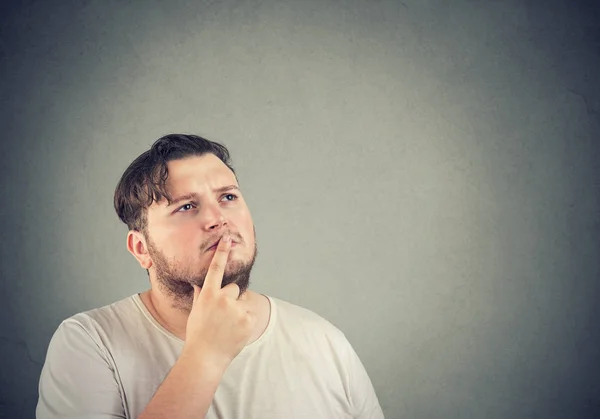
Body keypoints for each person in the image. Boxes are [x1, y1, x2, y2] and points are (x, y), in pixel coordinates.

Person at [36, 133, 384, 419]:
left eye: (228, 197)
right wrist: (206, 355)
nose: (219, 218)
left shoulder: (325, 342)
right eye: (187, 206)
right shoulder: (89, 344)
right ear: (141, 249)